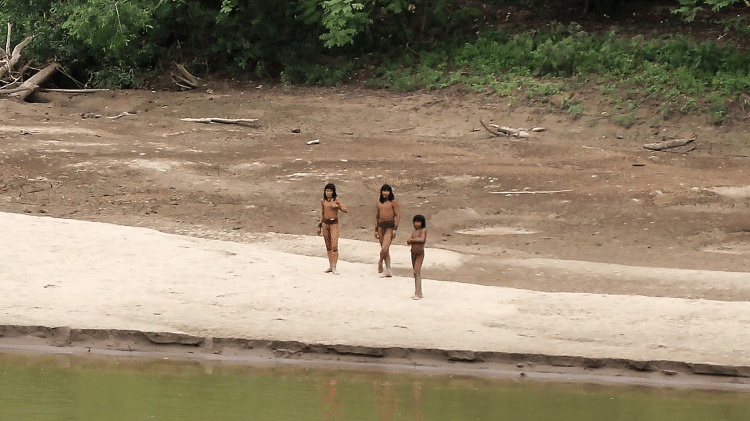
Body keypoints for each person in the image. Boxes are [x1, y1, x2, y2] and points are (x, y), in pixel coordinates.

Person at [317, 183, 348, 274]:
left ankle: (334, 266)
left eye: (330, 191)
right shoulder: (323, 201)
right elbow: (322, 214)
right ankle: (330, 265)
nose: (328, 193)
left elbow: (346, 210)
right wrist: (319, 225)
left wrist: (338, 206)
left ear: (333, 192)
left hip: (334, 224)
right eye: (327, 191)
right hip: (326, 224)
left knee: (334, 246)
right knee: (328, 246)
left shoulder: (336, 200)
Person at [374, 184, 401, 277]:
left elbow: (398, 215)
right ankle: (388, 269)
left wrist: (395, 229)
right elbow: (377, 216)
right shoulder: (378, 202)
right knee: (386, 251)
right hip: (381, 227)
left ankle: (380, 261)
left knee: (384, 248)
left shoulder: (394, 202)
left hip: (390, 227)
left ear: (390, 192)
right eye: (383, 191)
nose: (385, 193)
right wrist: (376, 230)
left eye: (387, 191)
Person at [406, 214, 427, 299]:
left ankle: (417, 292)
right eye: (415, 222)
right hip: (413, 253)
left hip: (420, 253)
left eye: (419, 222)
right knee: (415, 273)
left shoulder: (423, 230)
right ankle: (419, 291)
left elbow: (422, 239)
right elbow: (409, 240)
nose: (417, 224)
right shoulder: (414, 231)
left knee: (416, 271)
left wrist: (412, 240)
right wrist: (409, 240)